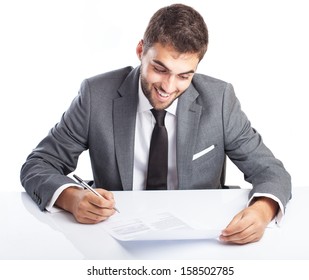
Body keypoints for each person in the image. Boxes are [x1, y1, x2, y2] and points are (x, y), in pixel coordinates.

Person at [20, 3, 291, 245]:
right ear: (141, 51)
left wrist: (262, 209)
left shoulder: (219, 100)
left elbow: (271, 171)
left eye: (184, 76)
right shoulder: (96, 96)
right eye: (160, 69)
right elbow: (38, 164)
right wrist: (72, 198)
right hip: (111, 238)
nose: (168, 87)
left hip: (201, 243)